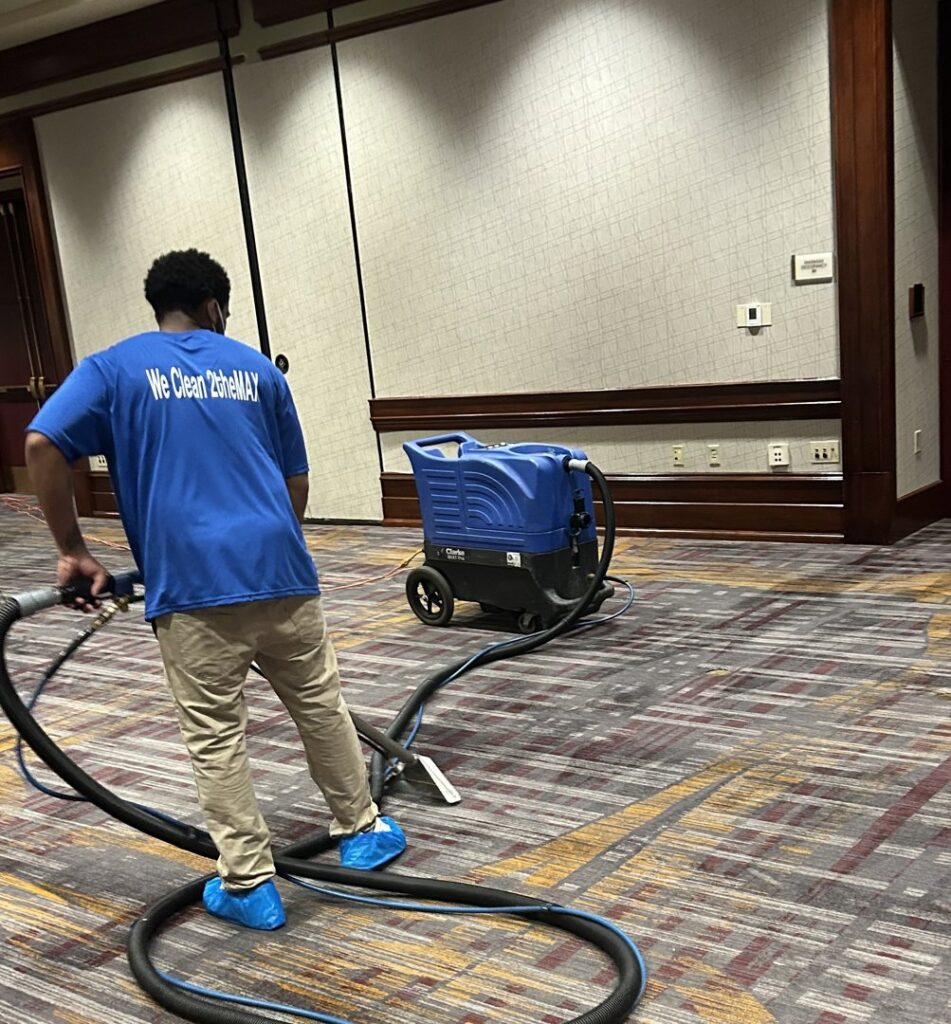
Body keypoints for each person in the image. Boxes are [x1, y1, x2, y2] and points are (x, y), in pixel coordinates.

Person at [24, 248, 406, 931]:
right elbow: (295, 480)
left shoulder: (114, 368)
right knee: (320, 704)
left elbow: (42, 446)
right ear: (213, 307)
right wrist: (259, 544)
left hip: (192, 586)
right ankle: (363, 830)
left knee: (215, 734)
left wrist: (72, 550)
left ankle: (250, 884)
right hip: (281, 572)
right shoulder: (258, 370)